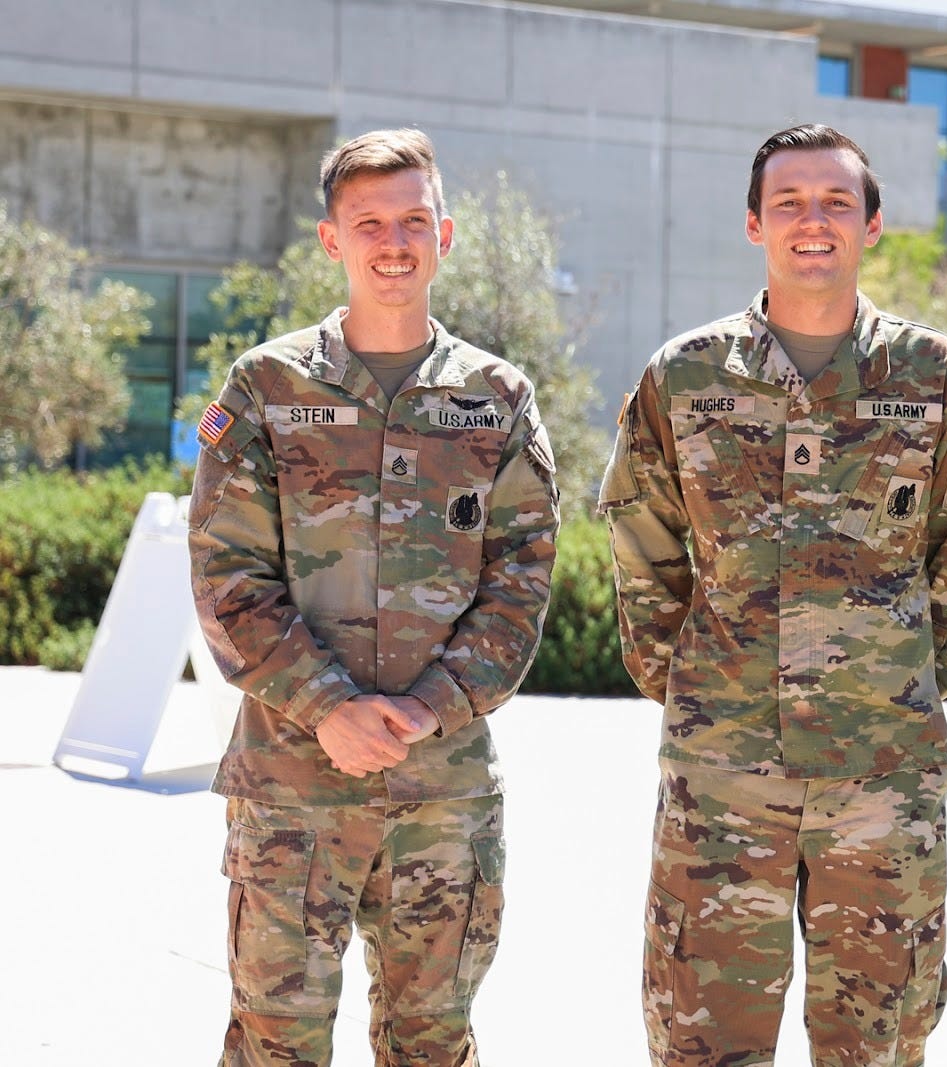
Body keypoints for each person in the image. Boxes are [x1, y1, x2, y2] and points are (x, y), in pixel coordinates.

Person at [598, 123, 947, 1066]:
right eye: (788, 202)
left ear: (872, 224)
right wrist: (694, 684)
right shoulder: (686, 375)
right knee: (702, 1037)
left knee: (880, 1038)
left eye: (836, 202)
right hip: (722, 776)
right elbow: (640, 538)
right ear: (754, 223)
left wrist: (902, 678)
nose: (812, 221)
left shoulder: (934, 375)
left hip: (883, 777)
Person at [188, 127, 560, 1065]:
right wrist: (328, 707)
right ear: (331, 240)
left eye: (413, 220)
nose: (393, 242)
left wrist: (431, 707)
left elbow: (522, 581)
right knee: (275, 1042)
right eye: (368, 223)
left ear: (445, 233)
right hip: (291, 792)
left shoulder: (497, 399)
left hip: (443, 797)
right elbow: (227, 575)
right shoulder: (267, 388)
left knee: (433, 1041)